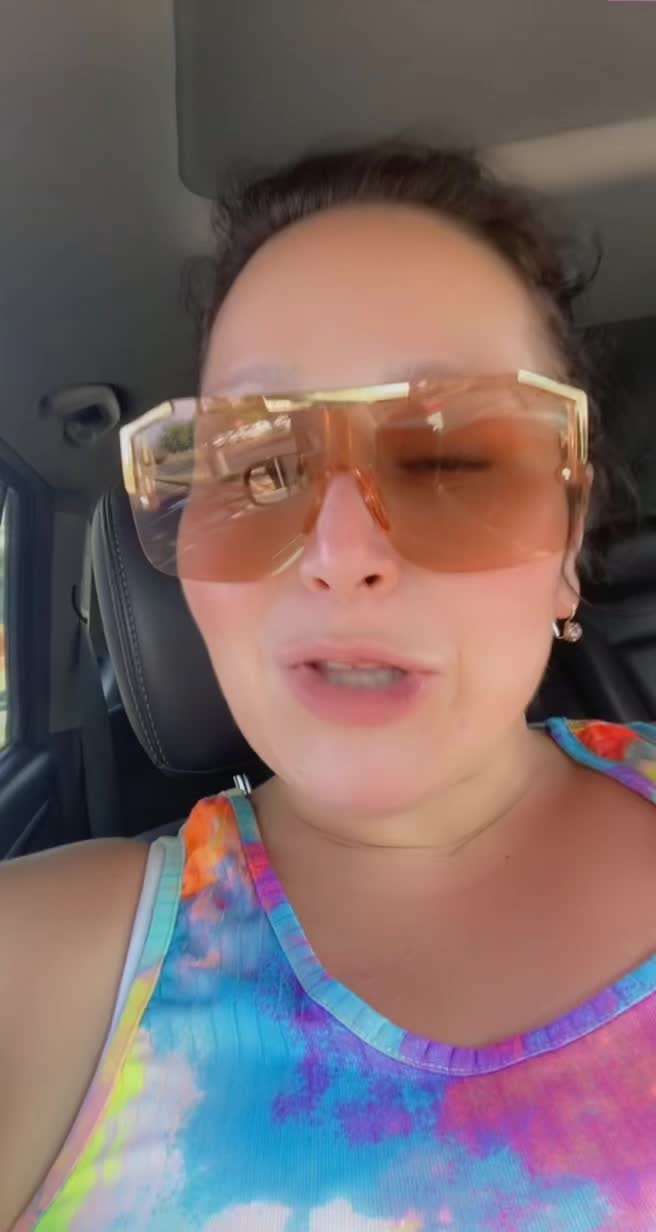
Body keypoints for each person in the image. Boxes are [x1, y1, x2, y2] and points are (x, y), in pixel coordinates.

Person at [2, 140, 656, 1232]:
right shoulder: (43, 969)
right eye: (261, 468)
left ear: (568, 537)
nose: (341, 554)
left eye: (448, 459)